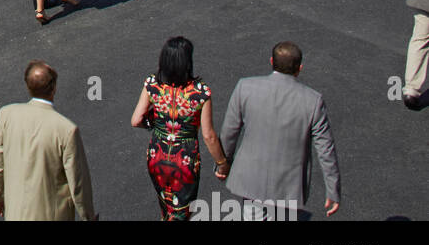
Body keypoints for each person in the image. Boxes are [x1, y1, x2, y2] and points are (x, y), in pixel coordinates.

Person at [219, 42, 340, 219]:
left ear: (271, 61)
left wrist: (223, 163)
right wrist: (333, 190)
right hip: (289, 187)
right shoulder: (313, 101)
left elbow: (229, 131)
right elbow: (326, 150)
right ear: (299, 68)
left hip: (252, 181)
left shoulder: (245, 87)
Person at [130, 36, 229, 220]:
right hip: (184, 160)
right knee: (181, 212)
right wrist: (222, 163)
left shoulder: (152, 84)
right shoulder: (199, 92)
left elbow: (136, 120)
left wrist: (154, 124)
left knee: (166, 207)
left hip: (157, 155)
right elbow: (209, 136)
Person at [0, 61, 96, 221]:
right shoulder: (66, 129)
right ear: (54, 87)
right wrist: (88, 216)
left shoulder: (7, 114)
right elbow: (78, 182)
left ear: (28, 86)